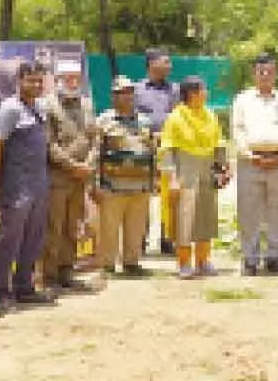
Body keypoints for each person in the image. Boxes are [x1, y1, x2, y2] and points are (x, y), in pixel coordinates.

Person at [0, 62, 55, 308]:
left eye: (40, 81)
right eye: (31, 80)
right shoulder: (10, 109)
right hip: (16, 185)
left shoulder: (40, 107)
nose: (36, 85)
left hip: (39, 183)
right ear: (19, 81)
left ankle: (24, 287)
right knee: (10, 239)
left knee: (34, 238)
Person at [230, 54, 278, 276]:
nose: (265, 76)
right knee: (249, 210)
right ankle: (250, 258)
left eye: (269, 71)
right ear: (254, 74)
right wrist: (249, 155)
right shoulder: (243, 99)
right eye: (261, 72)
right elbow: (237, 130)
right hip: (250, 161)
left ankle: (274, 257)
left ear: (276, 73)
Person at [159, 76, 229, 278]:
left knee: (205, 217)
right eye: (203, 90)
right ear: (192, 94)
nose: (206, 93)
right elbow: (167, 149)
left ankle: (203, 260)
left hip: (207, 168)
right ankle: (184, 262)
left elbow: (218, 143)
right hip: (184, 171)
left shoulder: (210, 115)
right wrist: (171, 178)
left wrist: (224, 167)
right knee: (185, 218)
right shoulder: (176, 117)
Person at [42, 60, 96, 290]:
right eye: (67, 77)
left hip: (80, 178)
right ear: (57, 79)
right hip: (57, 178)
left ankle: (67, 271)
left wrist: (88, 164)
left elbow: (95, 139)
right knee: (54, 227)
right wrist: (73, 165)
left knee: (72, 226)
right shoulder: (48, 106)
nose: (72, 81)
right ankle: (49, 276)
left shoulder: (86, 105)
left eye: (76, 77)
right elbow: (49, 144)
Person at [93, 76, 155, 277]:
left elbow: (153, 152)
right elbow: (95, 154)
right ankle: (107, 265)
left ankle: (131, 262)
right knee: (109, 228)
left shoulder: (144, 121)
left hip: (140, 185)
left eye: (129, 92)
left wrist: (153, 182)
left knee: (136, 227)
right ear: (113, 96)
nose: (126, 96)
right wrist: (95, 184)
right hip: (113, 185)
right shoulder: (103, 121)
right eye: (121, 93)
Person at [135, 48, 180, 254]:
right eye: (166, 62)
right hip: (143, 147)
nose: (169, 66)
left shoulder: (176, 90)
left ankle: (168, 238)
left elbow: (181, 116)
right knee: (142, 192)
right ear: (152, 64)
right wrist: (147, 136)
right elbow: (130, 118)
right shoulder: (137, 90)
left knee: (170, 193)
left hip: (169, 147)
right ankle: (139, 239)